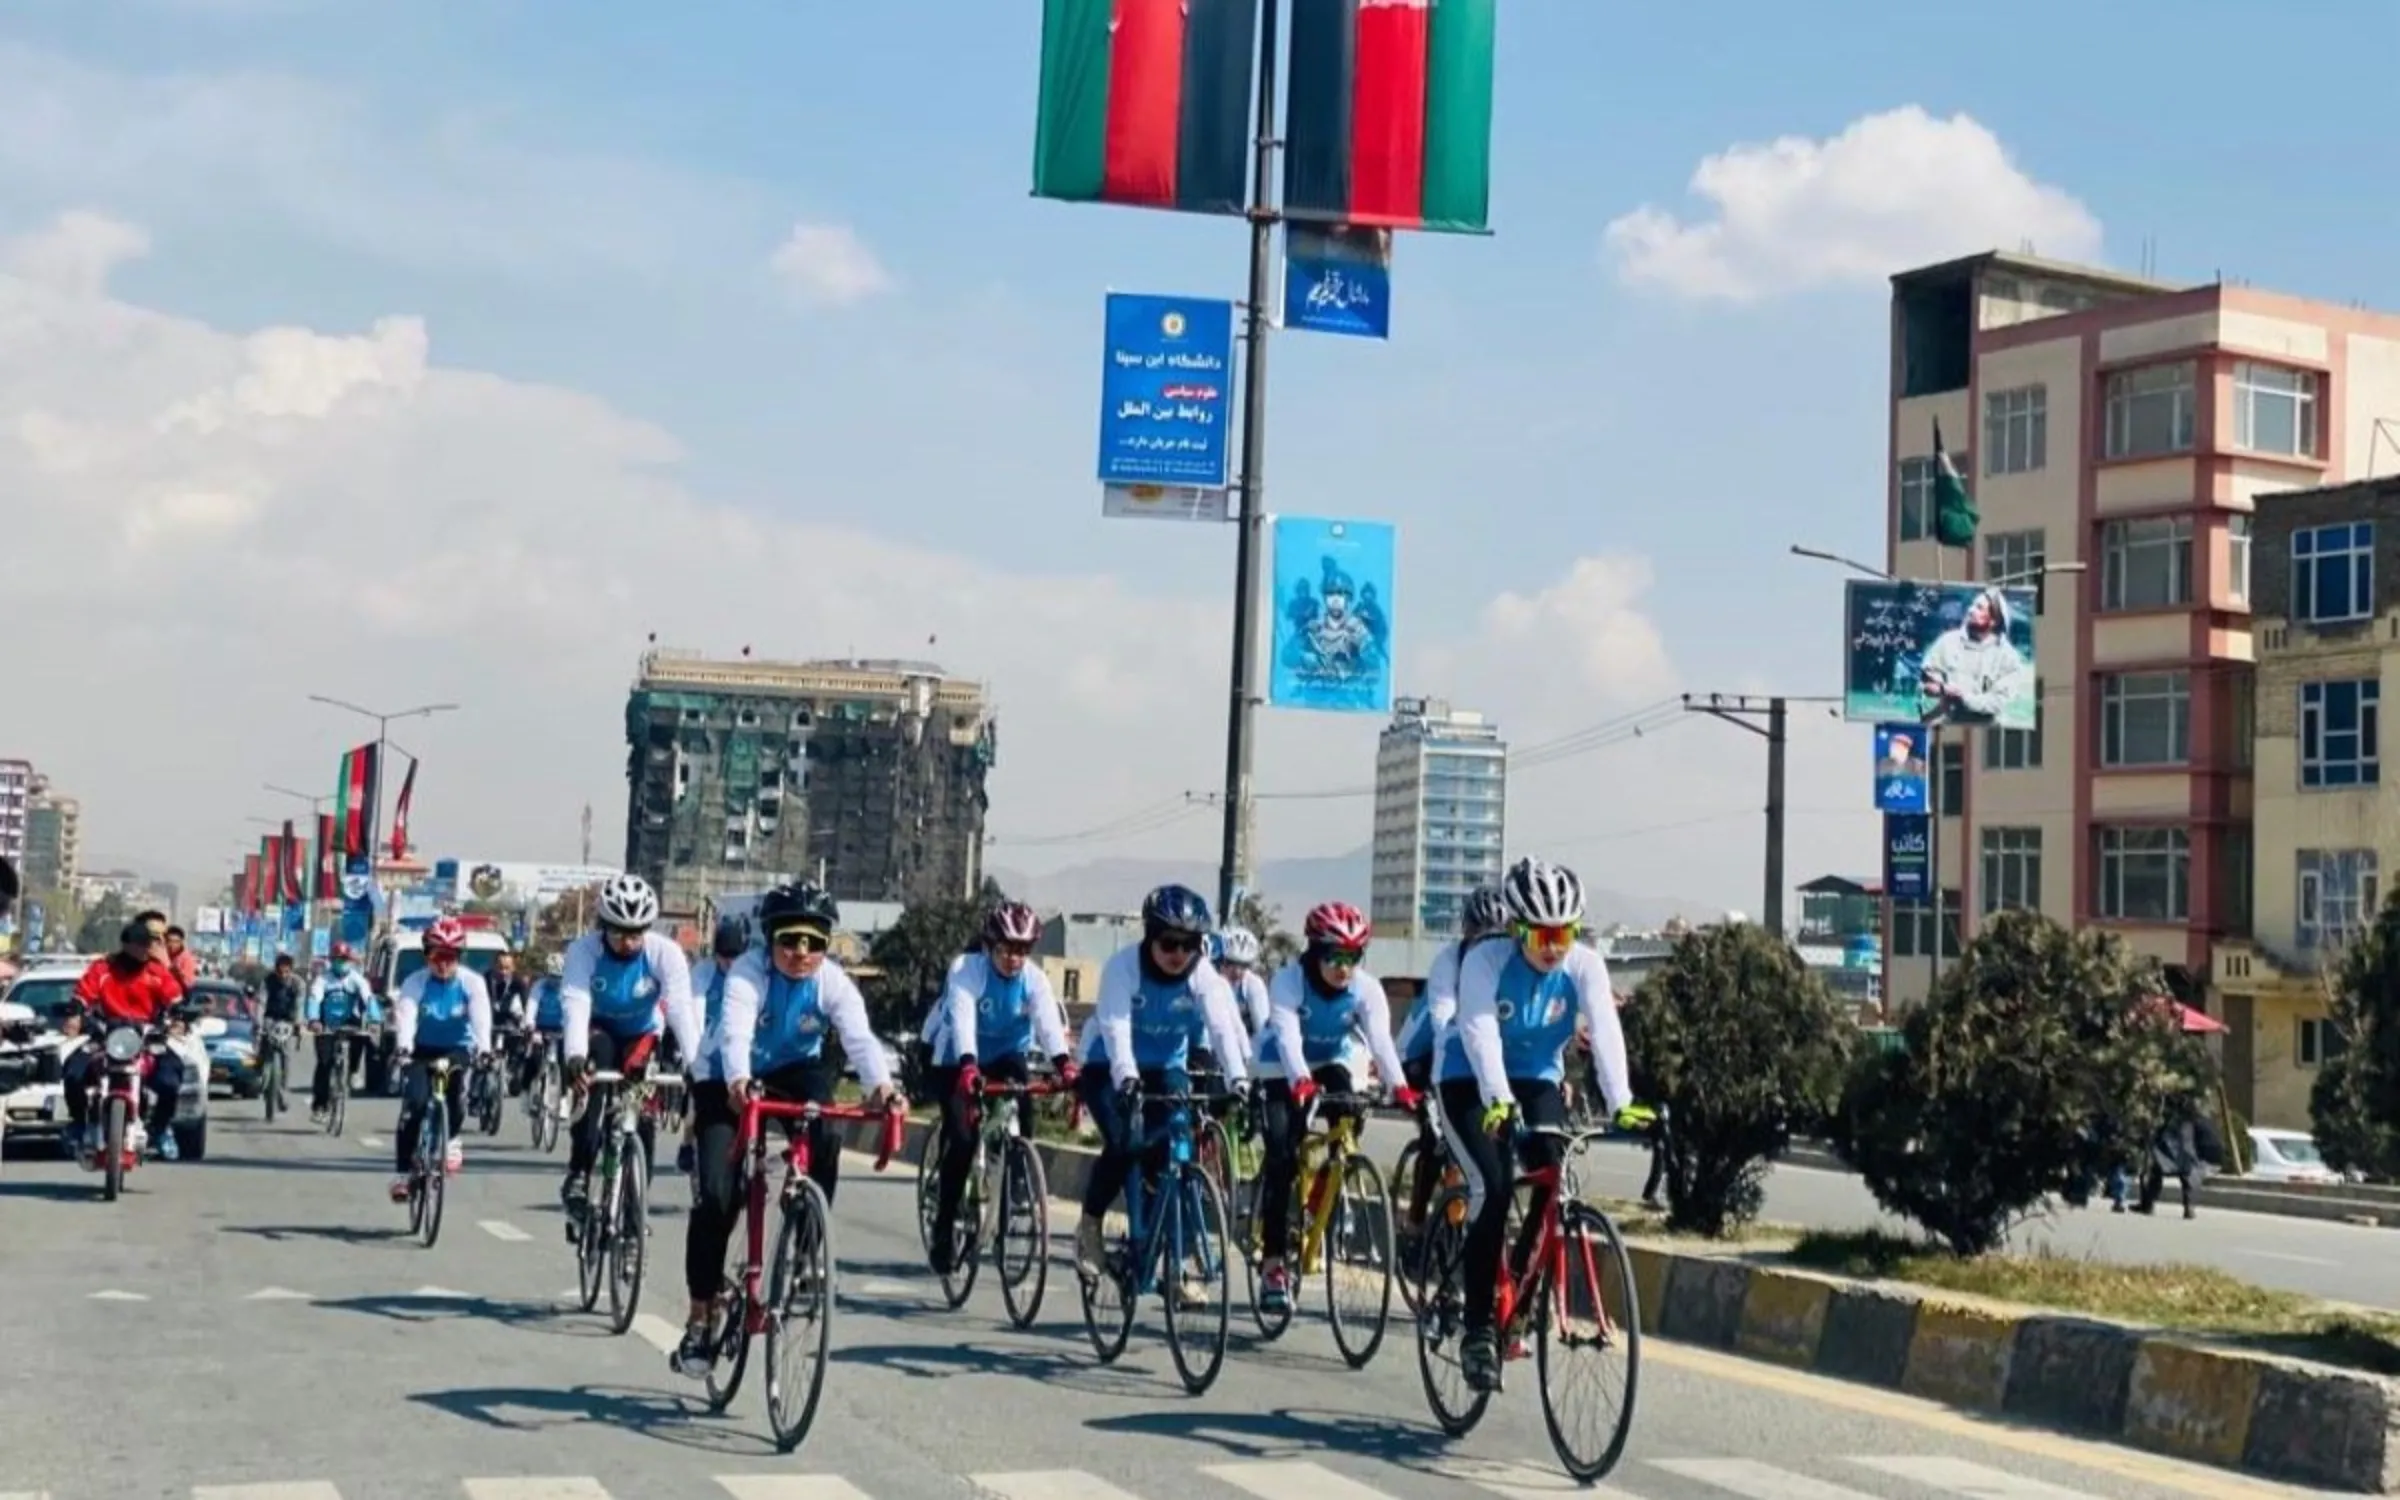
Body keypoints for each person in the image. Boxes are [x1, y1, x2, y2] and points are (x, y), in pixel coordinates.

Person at [674, 881, 900, 1379]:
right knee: (717, 1194)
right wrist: (737, 1082)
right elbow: (734, 1034)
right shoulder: (747, 976)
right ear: (770, 939)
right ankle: (699, 1315)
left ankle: (803, 1245)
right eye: (790, 940)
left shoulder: (833, 983)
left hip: (796, 1069)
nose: (802, 953)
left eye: (815, 943)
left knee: (827, 1132)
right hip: (725, 1077)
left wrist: (884, 1089)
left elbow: (861, 1040)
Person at [1439, 856, 1633, 1393]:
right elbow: (1478, 1031)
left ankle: (1521, 1295)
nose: (1554, 946)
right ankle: (1478, 1327)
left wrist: (1621, 1101)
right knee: (1495, 1186)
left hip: (1537, 1078)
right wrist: (1496, 1098)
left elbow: (1605, 1027)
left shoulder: (1585, 965)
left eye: (1564, 933)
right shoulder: (1485, 960)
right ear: (1518, 928)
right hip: (1467, 1077)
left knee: (1555, 1175)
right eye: (1543, 934)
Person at [1071, 883, 1251, 1282]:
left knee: (1173, 1150)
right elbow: (1115, 1028)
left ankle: (1172, 1254)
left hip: (1166, 1067)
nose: (1178, 955)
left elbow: (1221, 1029)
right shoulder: (1122, 968)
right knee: (1126, 1142)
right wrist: (1128, 1078)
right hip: (1110, 1066)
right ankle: (1089, 1225)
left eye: (1190, 945)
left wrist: (1238, 1079)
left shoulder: (1203, 975)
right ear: (1151, 937)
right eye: (1169, 943)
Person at [1251, 901, 1415, 1314]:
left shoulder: (1366, 989)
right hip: (1279, 1065)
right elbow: (1287, 1037)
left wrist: (1401, 1087)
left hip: (1330, 1061)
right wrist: (1298, 1080)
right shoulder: (1289, 983)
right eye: (1334, 957)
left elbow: (1380, 1039)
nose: (1344, 968)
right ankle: (1273, 1263)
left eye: (1354, 957)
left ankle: (1327, 1183)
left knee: (1350, 1114)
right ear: (1313, 952)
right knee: (1282, 1157)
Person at [922, 901, 1073, 1274]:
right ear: (989, 945)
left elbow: (1048, 1023)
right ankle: (944, 1227)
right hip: (958, 1056)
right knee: (962, 1137)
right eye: (1006, 949)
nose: (1014, 958)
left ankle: (1015, 1186)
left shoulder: (1034, 980)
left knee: (1025, 1113)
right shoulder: (967, 969)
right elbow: (961, 1019)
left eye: (1022, 950)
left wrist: (1064, 1064)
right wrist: (969, 1065)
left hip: (1007, 1055)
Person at [559, 873, 699, 1235]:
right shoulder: (583, 951)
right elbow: (576, 1003)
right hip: (598, 1029)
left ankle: (636, 1210)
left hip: (641, 1035)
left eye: (636, 932)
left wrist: (697, 1065)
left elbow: (680, 1009)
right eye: (619, 932)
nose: (628, 941)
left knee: (643, 1117)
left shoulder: (664, 954)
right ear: (603, 926)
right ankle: (579, 1173)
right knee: (595, 1075)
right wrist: (575, 1055)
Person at [1394, 887, 1508, 1237]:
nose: (1488, 946)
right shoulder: (1449, 962)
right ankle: (1415, 1223)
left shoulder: (1505, 964)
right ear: (1466, 932)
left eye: (1498, 937)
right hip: (1422, 1053)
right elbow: (1441, 1022)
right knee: (1435, 1138)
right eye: (1480, 936)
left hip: (1474, 1053)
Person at [387, 916, 494, 1202]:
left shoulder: (472, 983)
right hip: (422, 1049)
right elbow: (406, 1015)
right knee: (415, 1105)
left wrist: (485, 1049)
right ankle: (402, 1174)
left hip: (456, 1049)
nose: (443, 964)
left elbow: (481, 1018)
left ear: (459, 957)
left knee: (455, 1092)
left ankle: (452, 1138)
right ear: (427, 956)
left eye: (450, 957)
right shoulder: (415, 982)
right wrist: (404, 1047)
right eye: (437, 956)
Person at [62, 921, 189, 1159]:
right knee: (73, 1071)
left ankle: (161, 1130)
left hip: (146, 1037)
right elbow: (83, 993)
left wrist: (178, 1019)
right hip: (106, 1034)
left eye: (148, 945)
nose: (145, 950)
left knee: (171, 1079)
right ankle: (78, 1123)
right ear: (126, 945)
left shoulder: (156, 971)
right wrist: (75, 1015)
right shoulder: (103, 968)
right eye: (140, 945)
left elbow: (175, 999)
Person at [674, 913, 751, 1175]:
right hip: (704, 1049)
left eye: (735, 957)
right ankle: (688, 1143)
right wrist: (693, 1057)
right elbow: (692, 1011)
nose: (729, 963)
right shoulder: (703, 973)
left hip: (739, 1049)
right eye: (724, 957)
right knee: (697, 1105)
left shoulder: (751, 975)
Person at [305, 942, 381, 1119]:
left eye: (345, 959)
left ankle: (353, 1070)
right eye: (338, 959)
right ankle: (319, 1106)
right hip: (326, 1026)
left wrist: (375, 1020)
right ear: (332, 961)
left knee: (363, 1037)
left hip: (349, 1023)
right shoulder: (323, 979)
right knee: (324, 1064)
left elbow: (369, 999)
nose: (342, 963)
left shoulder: (357, 979)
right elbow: (314, 999)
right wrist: (314, 1019)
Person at [1214, 926, 1272, 1044]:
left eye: (1244, 965)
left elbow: (1262, 1030)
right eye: (1230, 963)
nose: (1237, 972)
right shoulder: (1208, 979)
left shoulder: (1253, 984)